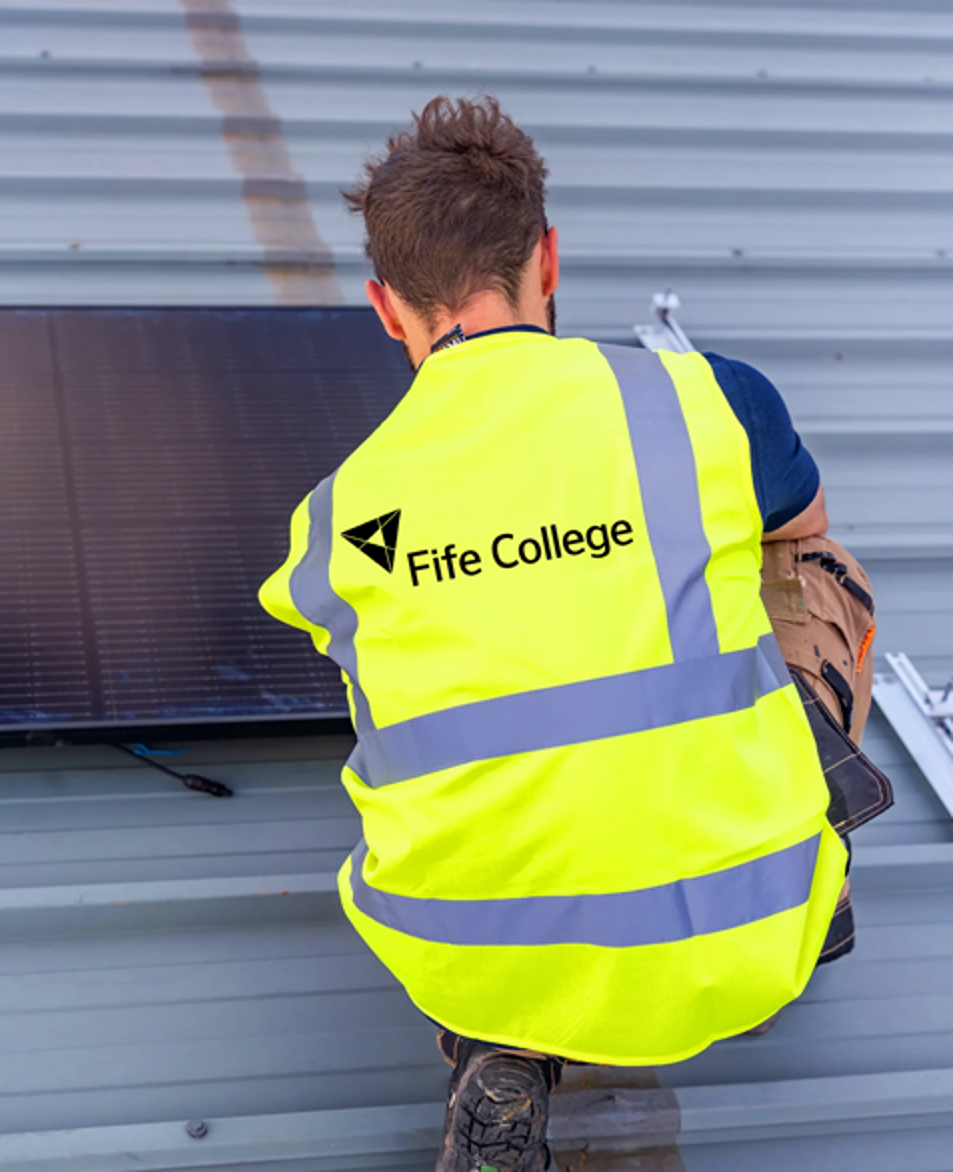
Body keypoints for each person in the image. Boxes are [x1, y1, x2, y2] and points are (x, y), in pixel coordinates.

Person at [257, 96, 886, 1172]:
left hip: (462, 960)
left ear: (384, 309)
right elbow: (799, 528)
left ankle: (497, 1042)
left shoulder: (335, 519)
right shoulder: (702, 399)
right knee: (812, 566)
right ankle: (801, 856)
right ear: (547, 259)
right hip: (750, 943)